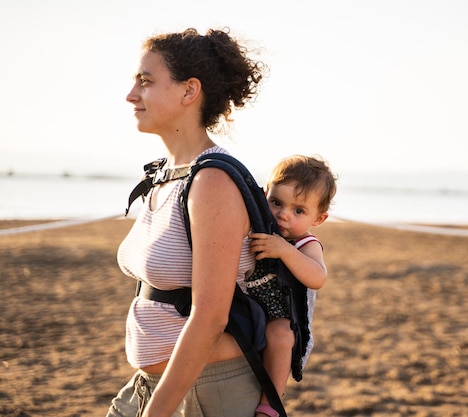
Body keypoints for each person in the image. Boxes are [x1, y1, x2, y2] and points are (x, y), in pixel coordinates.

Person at [107, 28, 268, 417]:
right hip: (156, 386)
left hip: (207, 393)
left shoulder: (212, 181)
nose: (131, 95)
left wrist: (156, 411)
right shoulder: (167, 173)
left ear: (188, 91)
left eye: (145, 82)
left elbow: (211, 316)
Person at [248, 155, 337, 417]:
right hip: (250, 306)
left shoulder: (305, 244)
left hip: (283, 316)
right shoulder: (260, 227)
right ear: (265, 194)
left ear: (318, 219)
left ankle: (270, 403)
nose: (283, 215)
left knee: (280, 335)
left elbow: (318, 277)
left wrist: (284, 252)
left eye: (298, 210)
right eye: (276, 202)